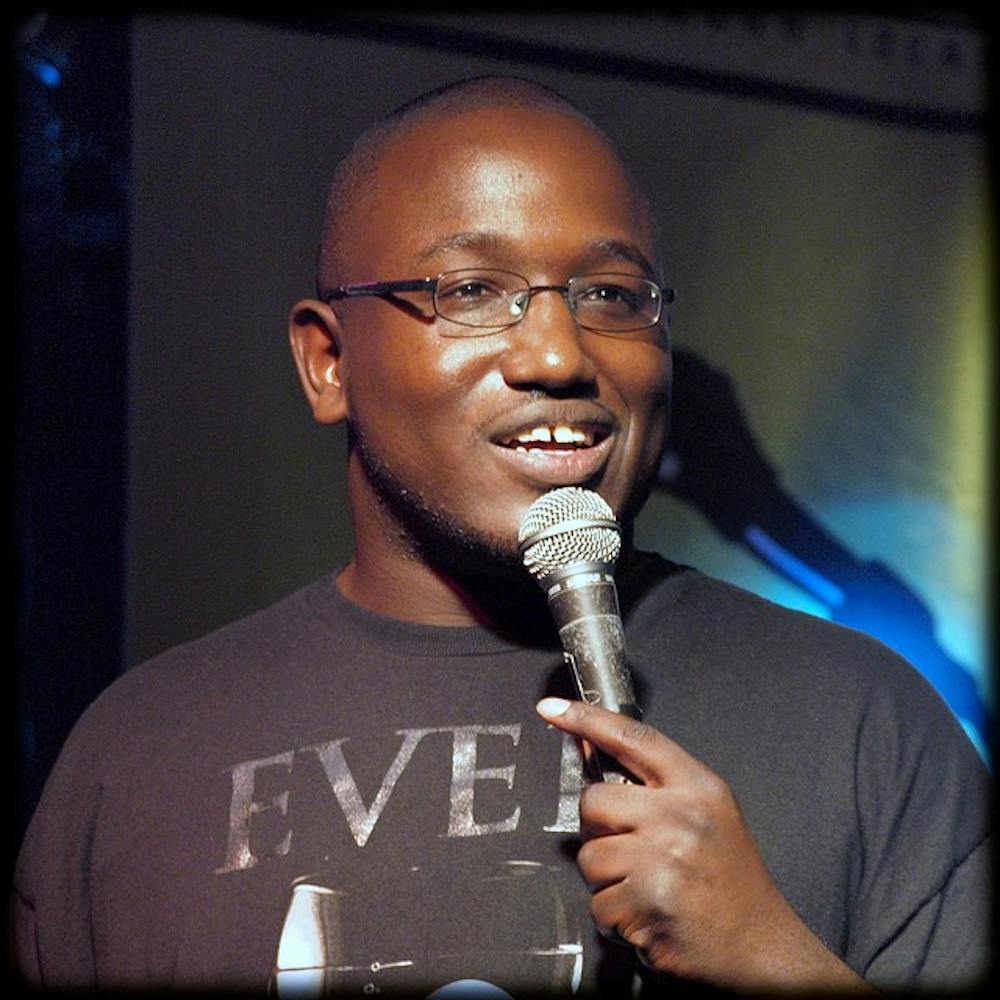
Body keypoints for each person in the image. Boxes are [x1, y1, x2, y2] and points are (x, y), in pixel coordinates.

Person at [12, 75, 991, 997]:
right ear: (327, 362)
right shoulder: (140, 756)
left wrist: (768, 957)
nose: (560, 354)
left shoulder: (864, 723)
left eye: (610, 295)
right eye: (472, 290)